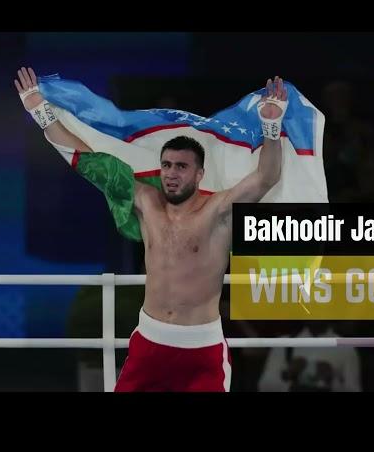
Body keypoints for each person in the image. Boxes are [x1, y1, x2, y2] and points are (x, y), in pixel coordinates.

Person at [15, 67, 286, 392]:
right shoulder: (145, 201)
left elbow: (266, 178)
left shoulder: (219, 211)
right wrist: (41, 112)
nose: (171, 174)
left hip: (201, 347)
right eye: (167, 165)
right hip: (150, 341)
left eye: (181, 167)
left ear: (199, 174)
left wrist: (271, 127)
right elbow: (89, 161)